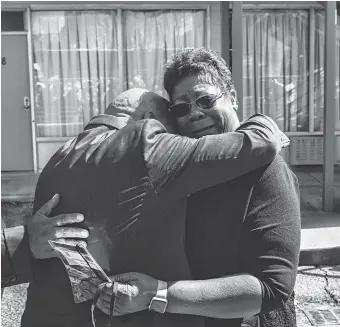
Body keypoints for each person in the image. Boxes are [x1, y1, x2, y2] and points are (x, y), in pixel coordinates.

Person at [7, 88, 287, 327]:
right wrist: (263, 121)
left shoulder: (58, 158)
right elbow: (258, 143)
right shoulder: (144, 142)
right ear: (150, 120)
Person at [86, 48, 301, 327]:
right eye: (182, 107)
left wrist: (156, 293)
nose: (195, 113)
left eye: (206, 100)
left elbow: (272, 288)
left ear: (232, 97)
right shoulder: (181, 166)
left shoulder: (267, 171)